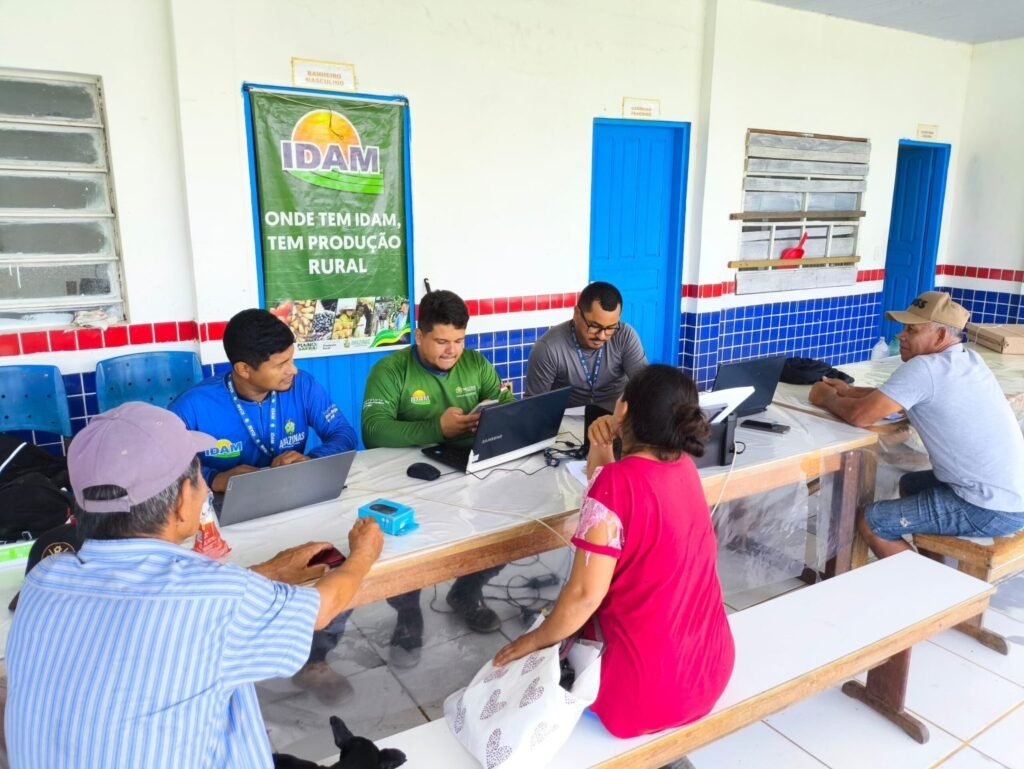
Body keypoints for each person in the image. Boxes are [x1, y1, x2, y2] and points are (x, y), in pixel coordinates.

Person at [5, 402, 384, 769]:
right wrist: (364, 553)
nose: (204, 489)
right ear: (183, 501)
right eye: (200, 479)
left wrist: (267, 572)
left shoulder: (44, 578)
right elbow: (322, 608)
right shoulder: (215, 596)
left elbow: (163, 603)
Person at [494, 364, 735, 738]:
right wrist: (602, 447)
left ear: (623, 409)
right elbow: (612, 494)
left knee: (543, 654)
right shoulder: (684, 466)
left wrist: (533, 641)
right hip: (709, 671)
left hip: (643, 696)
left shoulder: (616, 485)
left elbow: (584, 596)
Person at [170, 308, 359, 699]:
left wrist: (311, 458)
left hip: (298, 503)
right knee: (246, 584)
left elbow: (343, 434)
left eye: (292, 359)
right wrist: (216, 478)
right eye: (281, 364)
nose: (293, 370)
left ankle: (315, 658)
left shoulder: (303, 386)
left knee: (332, 563)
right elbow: (168, 473)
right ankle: (241, 670)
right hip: (228, 520)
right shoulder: (193, 407)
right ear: (244, 369)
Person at [361, 289, 515, 668]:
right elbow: (373, 431)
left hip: (470, 468)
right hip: (408, 477)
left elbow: (508, 408)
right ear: (419, 335)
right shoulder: (390, 370)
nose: (452, 351)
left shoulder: (476, 365)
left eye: (459, 341)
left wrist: (503, 414)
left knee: (507, 526)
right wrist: (437, 428)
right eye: (442, 341)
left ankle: (466, 592)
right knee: (408, 549)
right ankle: (408, 613)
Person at [809, 291, 1024, 558]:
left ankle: (923, 582)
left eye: (912, 330)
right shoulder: (967, 359)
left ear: (940, 336)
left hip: (990, 508)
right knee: (911, 484)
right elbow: (900, 396)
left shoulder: (925, 368)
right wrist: (849, 391)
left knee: (873, 521)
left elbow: (860, 416)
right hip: (1012, 495)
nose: (901, 336)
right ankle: (928, 563)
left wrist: (827, 397)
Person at [525, 281, 647, 414]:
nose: (602, 336)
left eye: (610, 328)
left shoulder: (625, 336)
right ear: (576, 313)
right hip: (568, 420)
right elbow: (534, 407)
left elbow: (646, 388)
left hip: (615, 418)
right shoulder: (548, 348)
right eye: (594, 326)